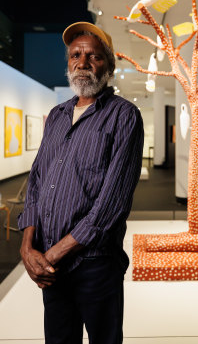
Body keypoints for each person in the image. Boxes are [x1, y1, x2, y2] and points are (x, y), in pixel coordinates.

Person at [18, 22, 144, 344]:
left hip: (95, 264)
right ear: (68, 62)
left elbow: (112, 203)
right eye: (75, 55)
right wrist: (27, 245)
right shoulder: (57, 115)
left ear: (109, 65)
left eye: (93, 56)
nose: (83, 62)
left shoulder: (124, 116)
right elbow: (36, 183)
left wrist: (55, 254)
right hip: (50, 264)